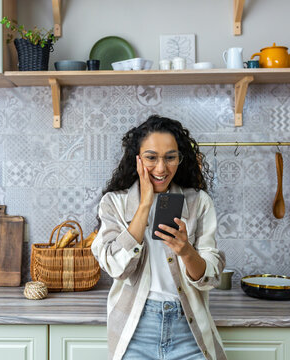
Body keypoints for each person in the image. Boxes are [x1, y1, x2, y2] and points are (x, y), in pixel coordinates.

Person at [91, 115, 227, 360]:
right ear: (138, 159)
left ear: (180, 159)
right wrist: (145, 204)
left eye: (170, 157)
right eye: (151, 157)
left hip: (189, 330)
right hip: (134, 331)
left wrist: (186, 252)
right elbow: (115, 267)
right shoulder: (114, 203)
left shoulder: (198, 203)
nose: (162, 168)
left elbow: (211, 277)